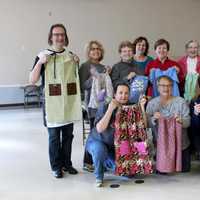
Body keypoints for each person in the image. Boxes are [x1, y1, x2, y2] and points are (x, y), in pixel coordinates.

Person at [30, 24, 81, 178]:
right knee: (54, 138)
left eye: (62, 34)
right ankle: (56, 166)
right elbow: (32, 80)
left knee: (68, 136)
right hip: (52, 104)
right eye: (56, 34)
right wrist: (40, 63)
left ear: (65, 37)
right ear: (51, 37)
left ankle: (67, 163)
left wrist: (76, 63)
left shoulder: (71, 56)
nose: (59, 37)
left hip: (68, 104)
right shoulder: (42, 55)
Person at [85, 82, 148, 187]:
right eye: (120, 93)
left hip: (116, 146)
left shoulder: (131, 107)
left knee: (129, 174)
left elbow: (143, 127)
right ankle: (99, 176)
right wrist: (110, 109)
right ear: (115, 94)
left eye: (126, 93)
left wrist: (142, 107)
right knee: (99, 150)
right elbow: (100, 129)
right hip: (98, 141)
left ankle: (107, 162)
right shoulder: (104, 106)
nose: (123, 96)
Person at [146, 76, 191, 173]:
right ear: (157, 87)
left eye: (169, 85)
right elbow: (146, 125)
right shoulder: (152, 104)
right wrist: (154, 118)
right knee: (162, 173)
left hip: (180, 145)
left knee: (184, 171)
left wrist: (181, 121)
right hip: (161, 147)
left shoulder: (181, 102)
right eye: (163, 85)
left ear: (173, 87)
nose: (166, 88)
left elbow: (188, 122)